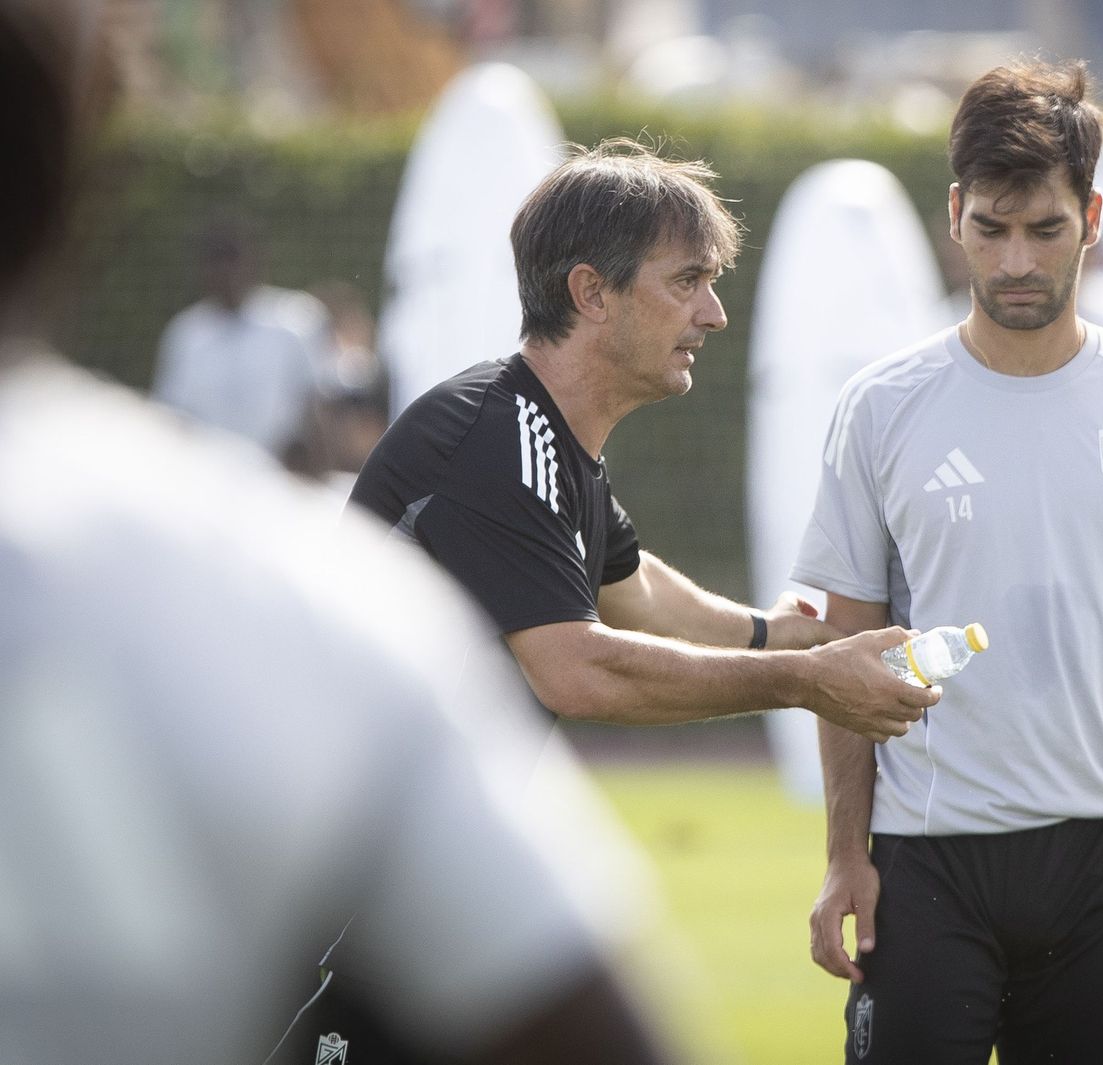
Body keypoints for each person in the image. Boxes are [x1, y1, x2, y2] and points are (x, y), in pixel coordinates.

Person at [0, 3, 687, 1062]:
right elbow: (585, 1024)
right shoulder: (322, 616)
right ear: (74, 187)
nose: (709, 312)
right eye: (693, 283)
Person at [798, 61, 1103, 1065]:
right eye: (991, 228)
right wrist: (844, 853)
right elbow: (847, 642)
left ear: (1092, 217)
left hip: (1101, 850)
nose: (1015, 260)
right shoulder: (882, 407)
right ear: (954, 216)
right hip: (924, 856)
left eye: (1044, 229)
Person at [347, 138, 938, 743]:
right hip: (332, 819)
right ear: (592, 293)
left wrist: (768, 632)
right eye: (687, 281)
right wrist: (805, 678)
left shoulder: (542, 433)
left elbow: (636, 591)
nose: (715, 314)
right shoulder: (498, 440)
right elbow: (577, 672)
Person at [150, 215, 328, 463]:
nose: (226, 271)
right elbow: (171, 417)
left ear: (254, 261)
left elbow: (316, 408)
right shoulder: (185, 334)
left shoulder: (295, 321)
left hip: (277, 479)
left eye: (233, 259)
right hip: (203, 477)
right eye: (216, 261)